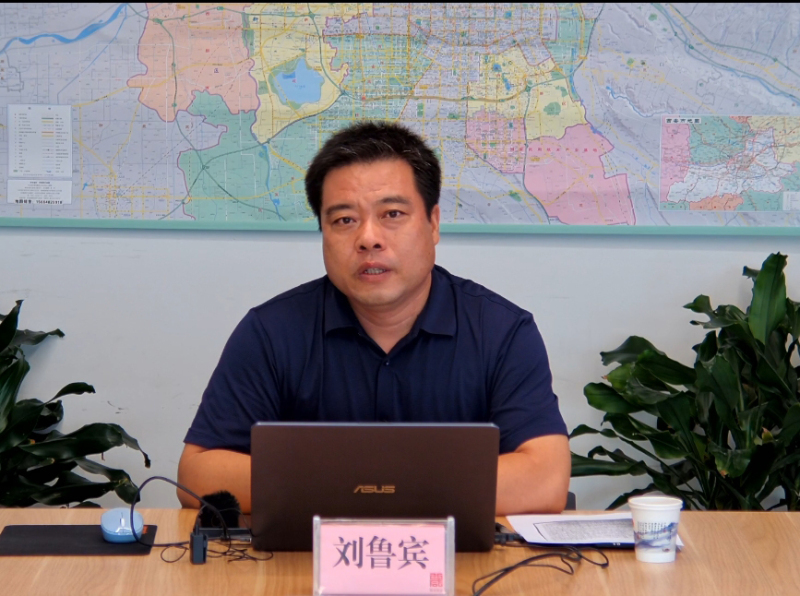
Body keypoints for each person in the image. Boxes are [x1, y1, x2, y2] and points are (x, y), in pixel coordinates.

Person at [177, 121, 571, 515]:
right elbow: (199, 473)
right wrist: (388, 487)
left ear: (433, 223)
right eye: (344, 220)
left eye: (392, 214)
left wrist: (353, 487)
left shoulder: (502, 332)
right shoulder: (270, 332)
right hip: (306, 554)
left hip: (459, 555)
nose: (368, 239)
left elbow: (545, 478)